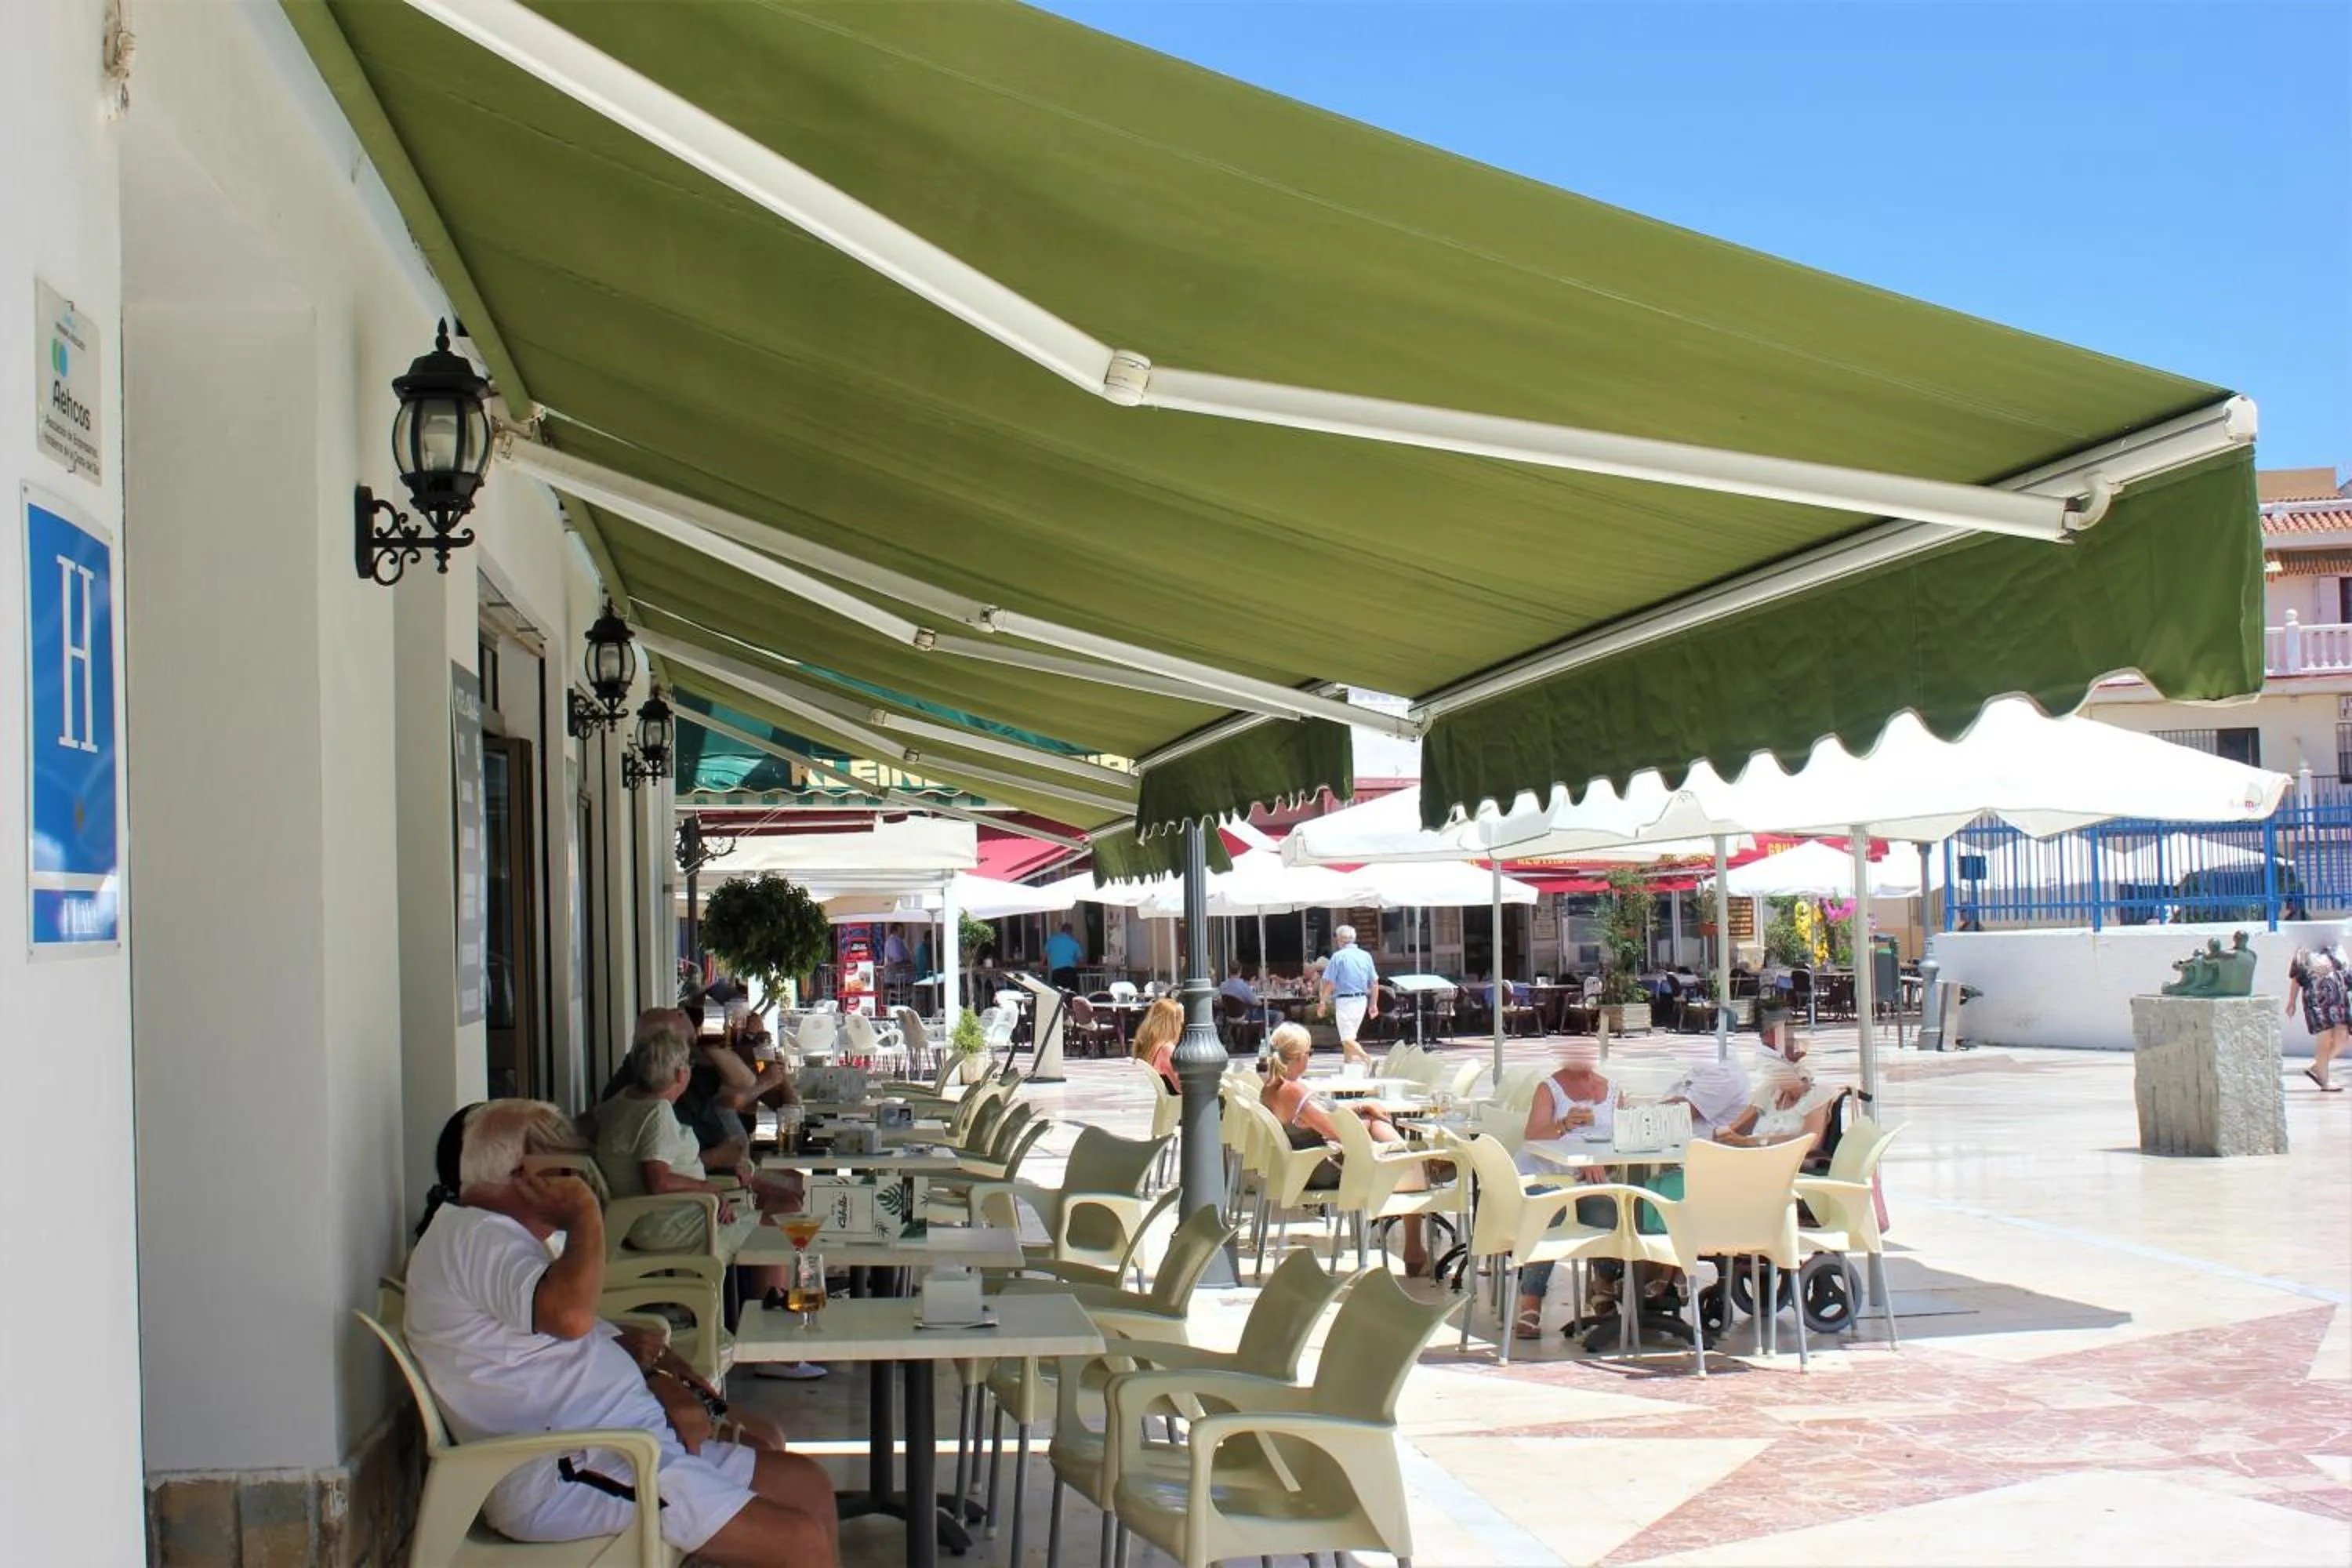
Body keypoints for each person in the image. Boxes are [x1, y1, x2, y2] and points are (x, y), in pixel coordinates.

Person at [405, 1100, 839, 1566]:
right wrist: (585, 1214)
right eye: (563, 1161)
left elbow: (564, 1327)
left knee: (806, 1487)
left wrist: (653, 1371)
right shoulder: (475, 1236)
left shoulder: (500, 1235)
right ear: (521, 1175)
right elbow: (570, 1317)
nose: (579, 1172)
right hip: (568, 1469)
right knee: (798, 1542)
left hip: (621, 1442)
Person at [1259, 1023, 1429, 1272]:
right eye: (1310, 1053)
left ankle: (1410, 1162)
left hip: (1304, 1166)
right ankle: (1414, 1242)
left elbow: (1326, 1114)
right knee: (1404, 1165)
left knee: (1392, 1148)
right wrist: (1368, 1120)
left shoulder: (1271, 1089)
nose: (1310, 1058)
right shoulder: (1294, 1091)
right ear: (1299, 1057)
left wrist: (1362, 1108)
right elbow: (1337, 1130)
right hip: (1321, 1170)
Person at [1511, 1040, 1619, 1338]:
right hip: (1545, 1175)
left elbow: (1622, 1143)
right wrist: (1564, 1125)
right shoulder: (1550, 1088)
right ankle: (1530, 1302)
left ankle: (1605, 1286)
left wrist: (1600, 1163)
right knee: (1550, 1212)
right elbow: (1533, 1135)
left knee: (1616, 1211)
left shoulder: (1613, 1091)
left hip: (1588, 1179)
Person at [1718, 1053, 1836, 1148]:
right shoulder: (1770, 1089)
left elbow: (1810, 1141)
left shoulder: (1818, 1094)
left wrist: (1750, 1142)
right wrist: (1721, 1135)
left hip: (1791, 1162)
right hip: (1756, 1158)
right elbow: (1735, 1128)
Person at [2286, 946, 2349, 1092]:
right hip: (2316, 1000)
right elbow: (2297, 977)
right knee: (2325, 1038)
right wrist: (2291, 1002)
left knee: (2342, 1038)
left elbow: (2346, 973)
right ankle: (2325, 1080)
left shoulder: (2337, 949)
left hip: (2339, 1000)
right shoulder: (2304, 951)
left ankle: (2317, 1067)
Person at [1319, 925, 1379, 1064]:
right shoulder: (1366, 956)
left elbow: (1330, 983)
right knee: (1350, 1037)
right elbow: (1375, 982)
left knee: (1346, 1039)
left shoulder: (1338, 957)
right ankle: (1348, 1068)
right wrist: (1374, 1004)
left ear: (1340, 940)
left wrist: (1322, 1002)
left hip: (1345, 1001)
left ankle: (1368, 1059)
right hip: (1361, 1000)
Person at [1129, 996, 1185, 1092]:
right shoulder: (1166, 1049)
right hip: (1176, 1104)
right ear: (1172, 1024)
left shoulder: (1147, 1044)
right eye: (1180, 1024)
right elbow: (1181, 1087)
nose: (1180, 1028)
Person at [1044, 922, 1083, 991]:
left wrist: (1041, 968)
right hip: (1070, 972)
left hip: (1057, 972)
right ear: (1071, 931)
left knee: (1058, 994)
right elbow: (1080, 961)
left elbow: (1044, 957)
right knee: (1072, 995)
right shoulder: (1074, 942)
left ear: (1061, 930)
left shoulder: (1052, 940)